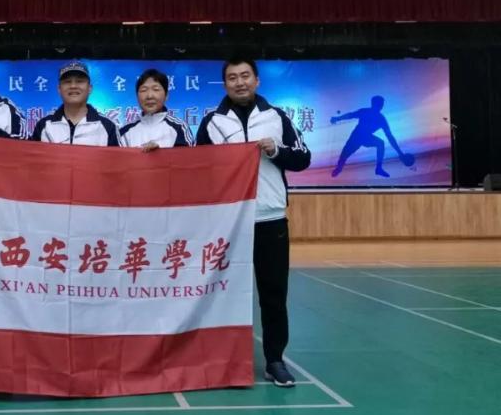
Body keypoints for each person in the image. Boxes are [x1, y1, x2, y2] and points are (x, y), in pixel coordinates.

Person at [196, 57, 310, 387]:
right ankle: (221, 359)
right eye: (232, 77)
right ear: (225, 84)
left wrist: (276, 150)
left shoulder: (277, 117)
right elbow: (197, 168)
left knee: (273, 294)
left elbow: (303, 158)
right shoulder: (212, 122)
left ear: (257, 80)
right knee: (221, 293)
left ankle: (275, 360)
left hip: (269, 219)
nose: (240, 82)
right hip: (227, 223)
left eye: (245, 75)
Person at [30, 61, 120, 146]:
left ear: (89, 88)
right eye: (67, 82)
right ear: (59, 89)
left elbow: (116, 157)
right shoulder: (44, 126)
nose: (73, 86)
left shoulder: (107, 126)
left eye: (79, 81)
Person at [330, 95, 411, 178]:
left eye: (382, 104)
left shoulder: (381, 119)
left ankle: (378, 168)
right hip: (356, 137)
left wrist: (400, 153)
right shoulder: (365, 112)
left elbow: (390, 137)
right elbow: (350, 115)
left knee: (380, 143)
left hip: (366, 138)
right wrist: (337, 118)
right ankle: (339, 168)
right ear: (374, 104)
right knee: (344, 155)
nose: (381, 106)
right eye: (380, 104)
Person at [119, 68, 193, 150]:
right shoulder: (124, 131)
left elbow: (188, 156)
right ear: (137, 96)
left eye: (156, 89)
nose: (149, 96)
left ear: (166, 95)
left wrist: (159, 154)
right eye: (144, 90)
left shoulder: (180, 128)